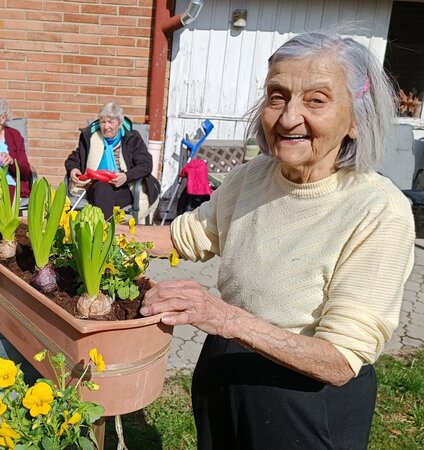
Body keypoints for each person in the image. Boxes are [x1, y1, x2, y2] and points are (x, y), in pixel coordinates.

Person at [132, 32, 415, 449]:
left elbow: (339, 361)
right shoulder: (252, 176)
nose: (287, 118)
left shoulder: (378, 209)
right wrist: (95, 233)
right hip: (227, 363)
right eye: (277, 96)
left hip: (303, 394)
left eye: (316, 100)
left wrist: (223, 317)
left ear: (357, 116)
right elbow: (189, 235)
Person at [65, 102, 160, 219]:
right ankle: (108, 230)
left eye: (110, 122)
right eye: (103, 122)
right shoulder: (91, 138)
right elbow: (74, 158)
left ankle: (103, 228)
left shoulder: (132, 138)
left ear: (119, 123)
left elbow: (146, 165)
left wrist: (126, 176)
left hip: (123, 187)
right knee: (102, 188)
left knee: (105, 197)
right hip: (96, 186)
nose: (106, 127)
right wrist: (73, 169)